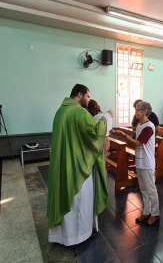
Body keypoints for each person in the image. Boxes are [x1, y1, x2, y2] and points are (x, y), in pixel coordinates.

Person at [48, 84, 108, 246]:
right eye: (87, 96)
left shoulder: (61, 111)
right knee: (80, 201)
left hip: (63, 162)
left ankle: (61, 236)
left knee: (65, 197)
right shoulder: (79, 112)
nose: (89, 100)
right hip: (77, 165)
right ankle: (78, 236)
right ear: (80, 94)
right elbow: (95, 132)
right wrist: (105, 118)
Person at [112, 102, 160, 226]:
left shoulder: (149, 126)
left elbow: (138, 143)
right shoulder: (140, 124)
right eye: (136, 110)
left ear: (145, 112)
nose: (136, 112)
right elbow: (134, 138)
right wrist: (122, 135)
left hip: (147, 162)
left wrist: (123, 135)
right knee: (143, 189)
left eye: (138, 110)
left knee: (151, 189)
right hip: (140, 160)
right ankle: (146, 211)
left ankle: (155, 213)